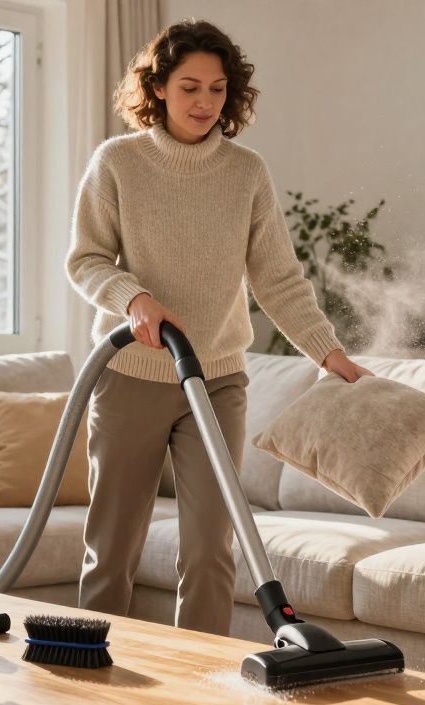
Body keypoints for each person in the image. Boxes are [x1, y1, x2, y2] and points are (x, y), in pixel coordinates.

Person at [65, 18, 371, 635]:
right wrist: (134, 299)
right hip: (131, 377)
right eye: (189, 87)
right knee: (113, 549)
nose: (205, 102)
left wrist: (327, 352)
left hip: (218, 381)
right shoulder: (118, 163)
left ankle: (199, 699)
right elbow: (86, 259)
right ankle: (88, 683)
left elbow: (277, 278)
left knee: (211, 551)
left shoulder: (246, 171)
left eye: (217, 89)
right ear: (157, 90)